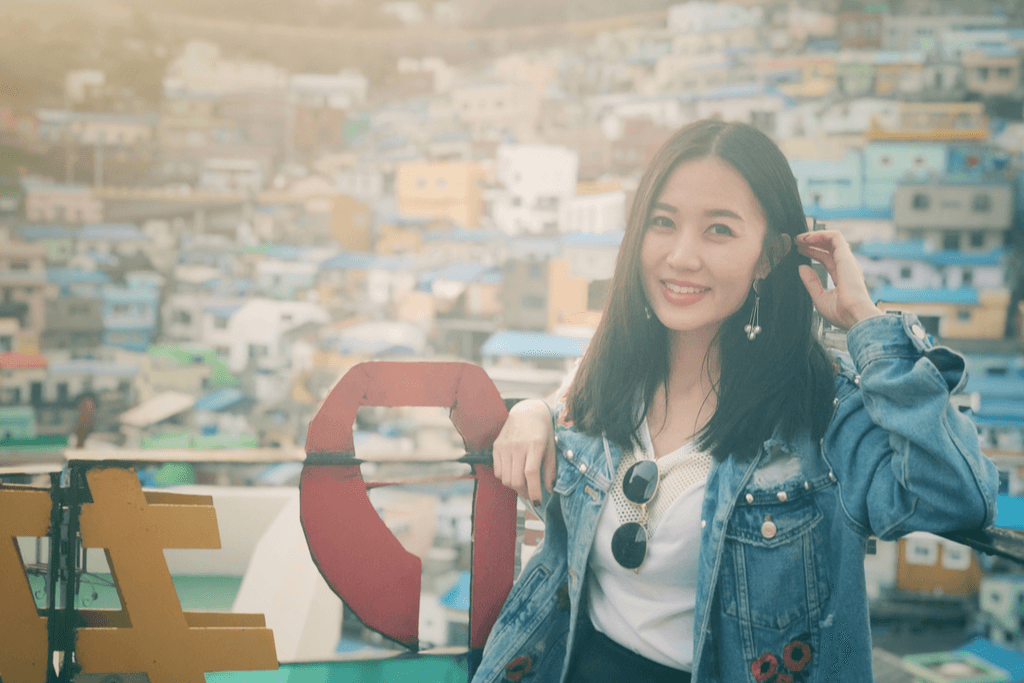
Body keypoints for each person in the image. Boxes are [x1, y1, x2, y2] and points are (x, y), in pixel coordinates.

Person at [471, 120, 999, 683]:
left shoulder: (819, 413)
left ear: (769, 256)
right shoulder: (612, 383)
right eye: (663, 223)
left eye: (718, 231)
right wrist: (532, 411)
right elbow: (564, 409)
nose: (681, 256)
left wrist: (868, 326)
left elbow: (956, 494)